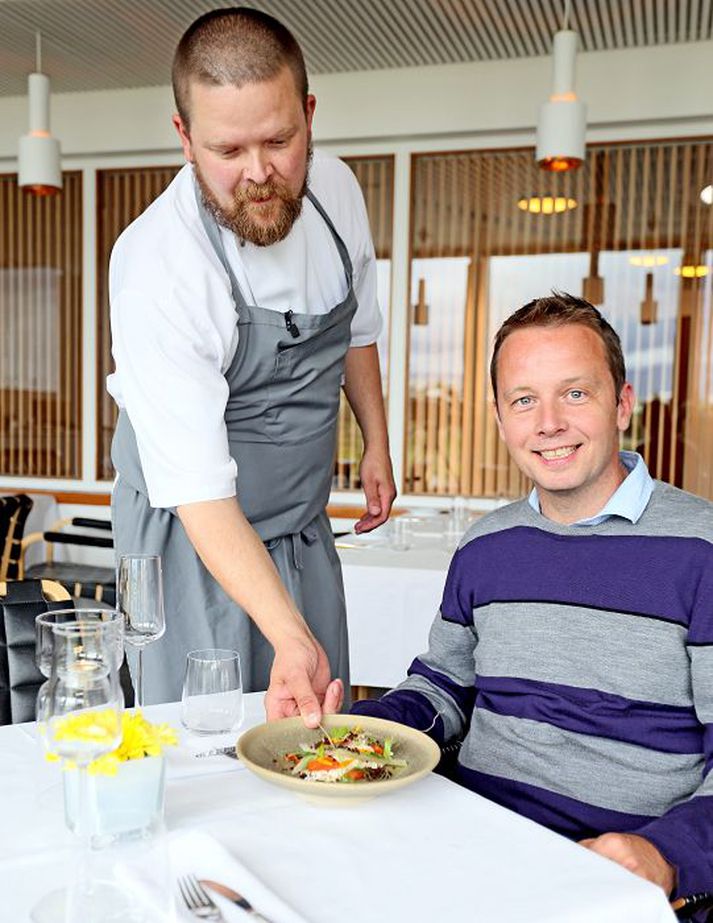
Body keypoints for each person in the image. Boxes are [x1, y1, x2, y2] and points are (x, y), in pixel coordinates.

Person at [353, 293, 713, 903]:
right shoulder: (485, 546)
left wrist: (665, 855)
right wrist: (359, 730)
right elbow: (444, 688)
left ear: (622, 404)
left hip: (610, 880)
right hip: (464, 848)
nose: (548, 423)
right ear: (500, 420)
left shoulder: (700, 550)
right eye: (524, 400)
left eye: (575, 393)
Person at [107, 7, 395, 721]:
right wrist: (288, 633)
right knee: (210, 744)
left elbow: (356, 326)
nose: (259, 175)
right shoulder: (159, 265)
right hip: (191, 541)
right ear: (184, 137)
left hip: (300, 521)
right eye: (227, 150)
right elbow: (199, 492)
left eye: (279, 140)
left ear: (308, 113)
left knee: (321, 731)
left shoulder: (337, 193)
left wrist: (376, 443)